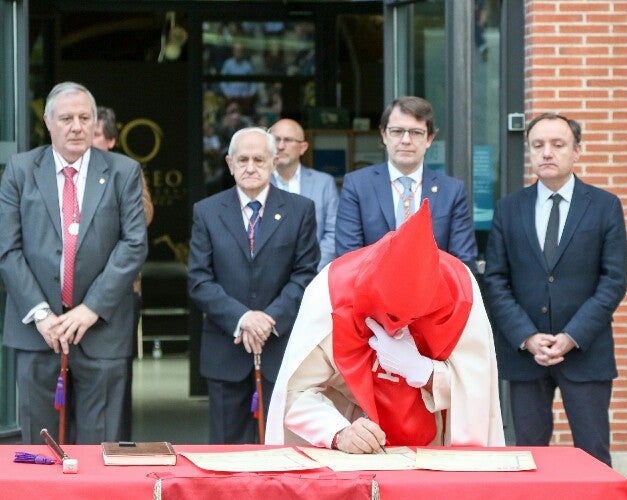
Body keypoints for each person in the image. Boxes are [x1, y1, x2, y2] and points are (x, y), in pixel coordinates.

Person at [266, 201, 504, 452]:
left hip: (434, 445)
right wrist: (338, 432)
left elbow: (476, 393)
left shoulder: (461, 295)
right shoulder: (330, 293)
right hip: (356, 445)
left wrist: (424, 372)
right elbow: (295, 392)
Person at [0, 81, 148, 444]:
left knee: (102, 446)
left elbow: (134, 244)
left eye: (85, 117)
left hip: (101, 329)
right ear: (48, 123)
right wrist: (41, 314)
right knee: (41, 444)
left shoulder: (123, 171)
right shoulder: (20, 170)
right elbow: (8, 248)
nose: (77, 126)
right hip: (38, 332)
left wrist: (90, 308)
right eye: (66, 118)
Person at [483, 113, 627, 466]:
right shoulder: (508, 209)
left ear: (577, 151)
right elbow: (496, 281)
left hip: (585, 351)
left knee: (594, 454)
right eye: (538, 145)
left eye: (558, 145)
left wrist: (572, 335)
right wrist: (527, 336)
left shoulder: (605, 206)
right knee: (527, 454)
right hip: (525, 355)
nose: (547, 153)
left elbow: (613, 281)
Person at [187, 127, 319, 444]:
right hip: (226, 351)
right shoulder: (206, 212)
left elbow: (305, 275)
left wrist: (269, 320)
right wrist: (244, 319)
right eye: (242, 159)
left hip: (279, 348)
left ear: (274, 162)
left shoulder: (299, 210)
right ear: (230, 163)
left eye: (259, 159)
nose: (250, 167)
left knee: (278, 452)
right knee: (225, 454)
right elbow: (199, 280)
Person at [335, 96, 478, 271]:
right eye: (396, 131)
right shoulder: (357, 185)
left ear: (429, 139)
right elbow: (349, 258)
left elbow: (462, 261)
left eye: (416, 132)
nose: (405, 140)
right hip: (372, 295)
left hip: (433, 295)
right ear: (384, 135)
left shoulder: (452, 191)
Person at [92, 105, 154, 441]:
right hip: (70, 295)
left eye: (96, 135)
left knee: (116, 384)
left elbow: (143, 216)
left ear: (112, 141)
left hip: (119, 291)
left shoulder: (127, 172)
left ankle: (119, 446)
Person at [269, 118, 339, 270]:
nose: (280, 146)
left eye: (288, 140)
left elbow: (333, 233)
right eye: (276, 140)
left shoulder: (324, 183)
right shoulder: (259, 184)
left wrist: (311, 270)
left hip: (314, 273)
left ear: (303, 147)